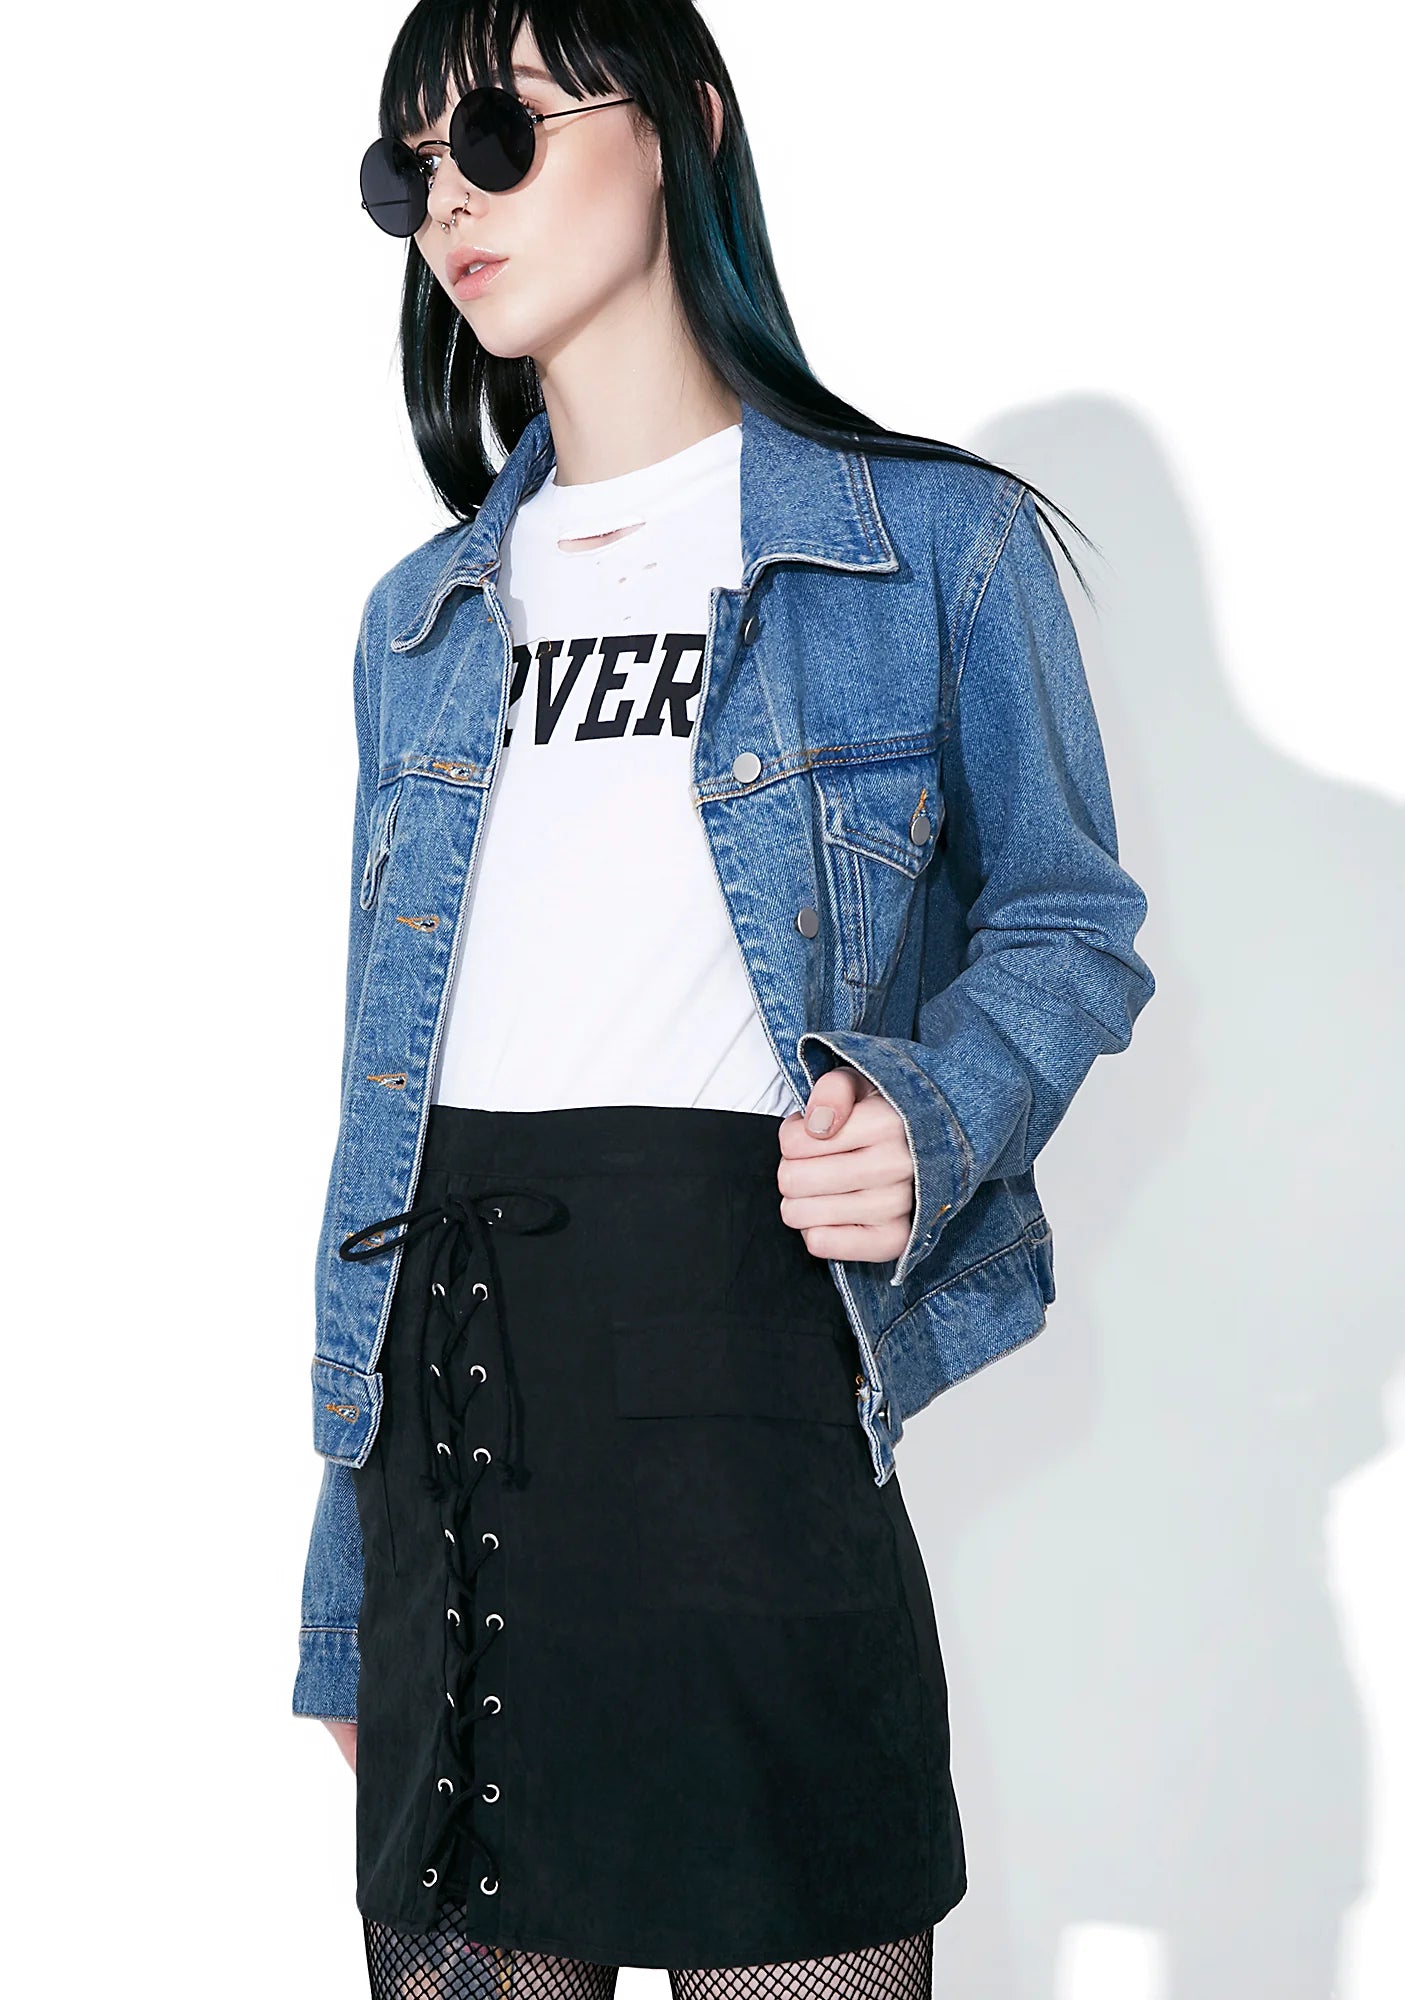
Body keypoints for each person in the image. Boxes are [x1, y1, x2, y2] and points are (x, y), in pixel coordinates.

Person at [292, 3, 1157, 1995]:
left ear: (680, 124)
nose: (449, 200)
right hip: (456, 1444)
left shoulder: (926, 547)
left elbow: (1066, 916)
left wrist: (930, 1113)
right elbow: (377, 1121)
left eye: (498, 132)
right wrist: (345, 1584)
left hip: (746, 1430)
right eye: (409, 167)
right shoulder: (417, 622)